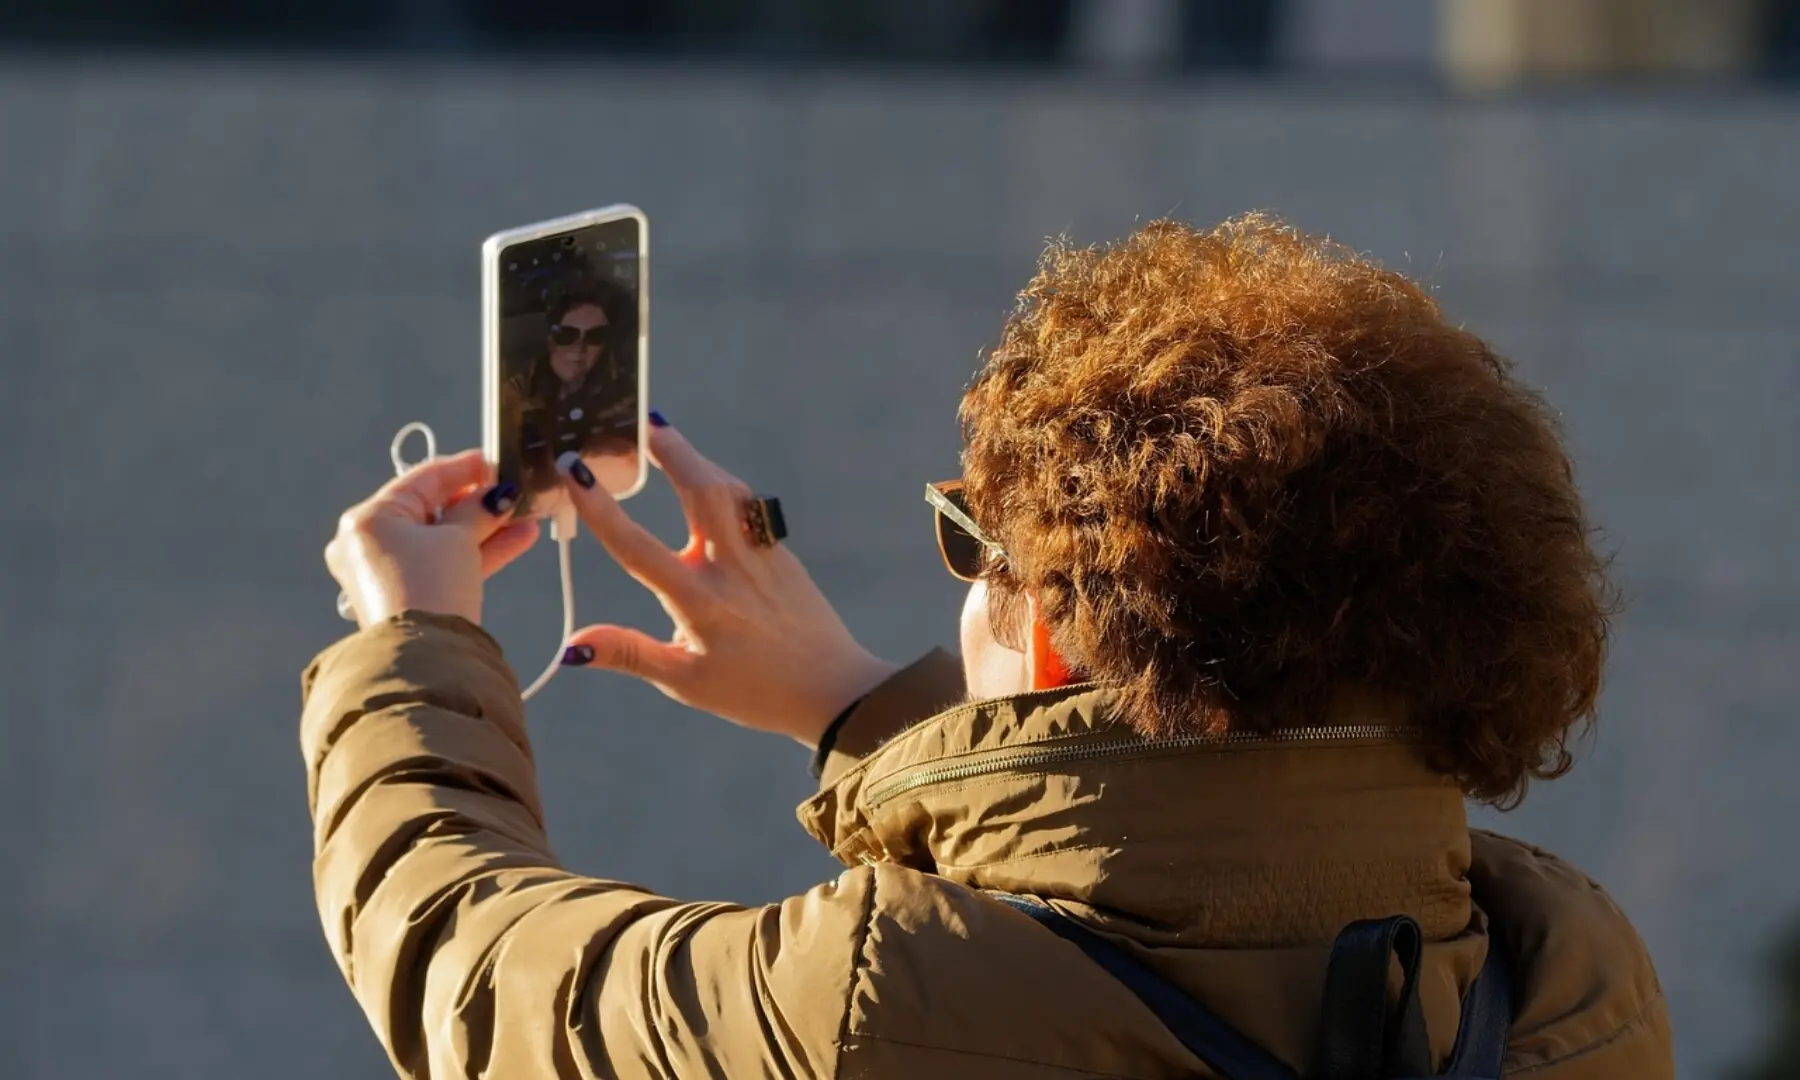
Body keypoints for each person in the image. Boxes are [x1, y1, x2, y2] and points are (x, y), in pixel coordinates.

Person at [311, 216, 1674, 1078]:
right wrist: (859, 711)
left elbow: (460, 958)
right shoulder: (1571, 978)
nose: (963, 593)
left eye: (976, 547)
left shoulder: (875, 1002)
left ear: (1062, 629)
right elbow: (1228, 854)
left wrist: (416, 640)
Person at [511, 281, 637, 493]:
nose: (579, 348)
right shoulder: (515, 392)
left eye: (595, 336)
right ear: (551, 340)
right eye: (567, 335)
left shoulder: (622, 393)